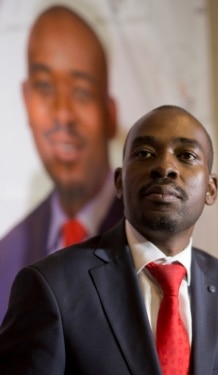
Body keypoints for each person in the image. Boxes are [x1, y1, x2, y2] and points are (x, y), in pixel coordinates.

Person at [0, 105, 218, 375]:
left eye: (186, 155)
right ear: (119, 182)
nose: (165, 167)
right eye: (144, 154)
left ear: (210, 189)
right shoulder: (50, 287)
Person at [0, 5, 123, 322]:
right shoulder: (7, 255)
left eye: (82, 91)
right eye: (44, 87)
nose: (63, 114)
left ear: (109, 115)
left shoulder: (153, 236)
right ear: (26, 101)